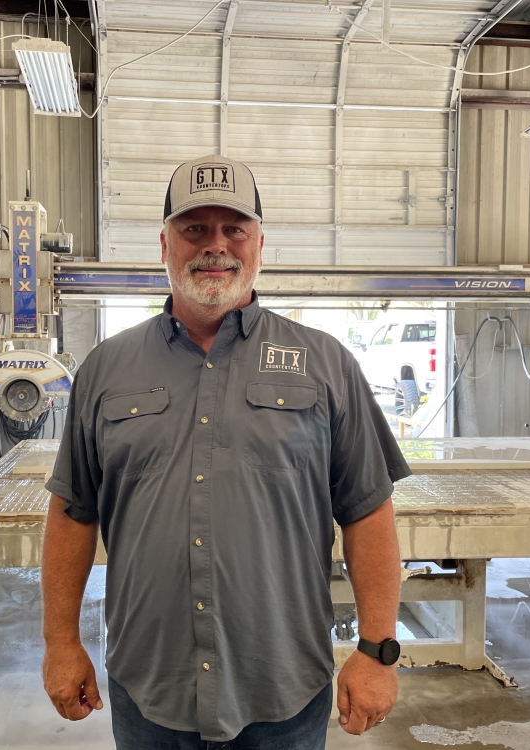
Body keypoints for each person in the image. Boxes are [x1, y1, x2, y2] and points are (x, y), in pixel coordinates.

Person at [42, 155, 411, 749]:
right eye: (195, 229)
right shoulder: (106, 369)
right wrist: (61, 643)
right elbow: (72, 512)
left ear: (259, 245)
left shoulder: (326, 365)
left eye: (233, 229)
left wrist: (378, 650)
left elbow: (367, 511)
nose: (215, 246)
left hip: (282, 694)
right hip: (151, 691)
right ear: (165, 244)